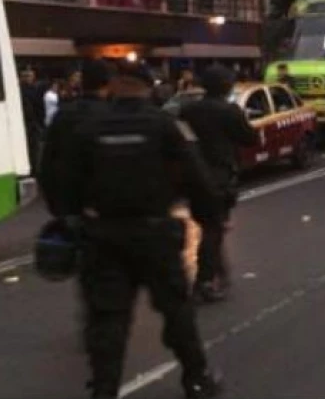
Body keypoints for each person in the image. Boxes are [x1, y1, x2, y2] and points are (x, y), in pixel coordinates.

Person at [59, 61, 224, 399]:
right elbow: (197, 177)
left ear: (114, 87)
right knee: (176, 312)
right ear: (148, 88)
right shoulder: (164, 125)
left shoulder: (89, 128)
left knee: (108, 319)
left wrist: (72, 218)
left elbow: (60, 179)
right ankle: (197, 378)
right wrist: (210, 216)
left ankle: (104, 389)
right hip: (154, 233)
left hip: (104, 235)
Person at [179, 65, 259, 303]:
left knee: (208, 224)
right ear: (226, 86)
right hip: (219, 175)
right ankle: (204, 280)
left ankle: (218, 271)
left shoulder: (188, 110)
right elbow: (249, 138)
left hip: (193, 175)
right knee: (213, 228)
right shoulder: (229, 111)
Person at [39, 59, 112, 218]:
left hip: (70, 204)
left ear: (82, 83)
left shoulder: (64, 114)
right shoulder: (114, 115)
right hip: (105, 207)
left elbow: (48, 162)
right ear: (108, 84)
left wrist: (56, 206)